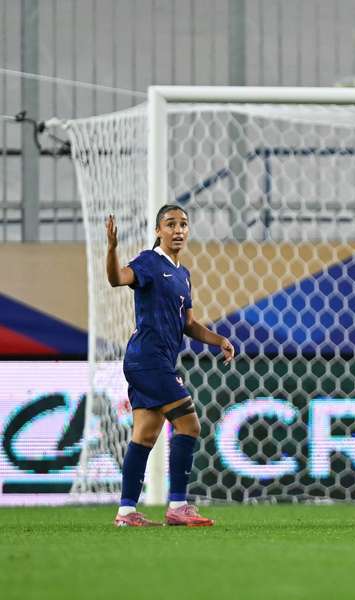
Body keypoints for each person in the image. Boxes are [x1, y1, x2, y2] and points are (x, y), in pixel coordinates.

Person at [106, 206, 234, 527]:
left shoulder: (183, 274)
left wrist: (218, 340)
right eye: (170, 224)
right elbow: (116, 278)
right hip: (147, 359)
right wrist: (111, 249)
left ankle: (125, 513)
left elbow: (188, 324)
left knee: (145, 435)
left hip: (155, 361)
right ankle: (178, 506)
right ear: (157, 231)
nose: (178, 230)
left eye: (183, 224)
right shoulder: (149, 263)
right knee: (189, 425)